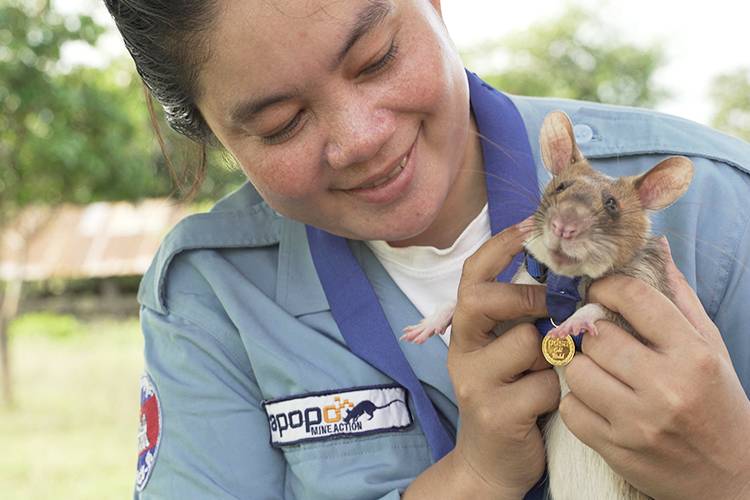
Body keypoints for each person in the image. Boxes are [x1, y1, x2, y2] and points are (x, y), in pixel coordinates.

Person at [104, 1, 750, 498]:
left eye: (376, 58)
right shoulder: (210, 291)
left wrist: (730, 470)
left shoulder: (716, 205)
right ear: (210, 132)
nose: (361, 139)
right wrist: (474, 476)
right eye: (281, 125)